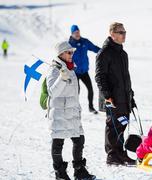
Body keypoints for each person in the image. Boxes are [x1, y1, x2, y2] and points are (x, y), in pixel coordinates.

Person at [46, 41, 95, 180]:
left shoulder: (71, 67)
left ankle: (79, 171)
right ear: (60, 54)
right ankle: (60, 174)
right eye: (68, 52)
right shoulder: (54, 69)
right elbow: (52, 92)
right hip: (59, 113)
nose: (71, 54)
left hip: (72, 111)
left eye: (72, 52)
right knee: (58, 142)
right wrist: (61, 78)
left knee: (79, 140)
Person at [95, 22, 136, 165]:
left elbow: (125, 77)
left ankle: (120, 152)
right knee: (113, 125)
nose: (124, 35)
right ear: (112, 34)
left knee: (122, 124)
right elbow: (100, 77)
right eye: (121, 32)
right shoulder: (104, 53)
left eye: (125, 32)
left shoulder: (123, 54)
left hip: (123, 96)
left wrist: (130, 95)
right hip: (112, 98)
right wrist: (107, 96)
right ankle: (112, 155)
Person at [69, 25, 100, 114]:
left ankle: (91, 107)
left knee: (90, 89)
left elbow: (95, 48)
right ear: (72, 34)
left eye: (78, 32)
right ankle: (74, 109)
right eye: (75, 33)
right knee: (76, 92)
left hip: (84, 71)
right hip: (74, 73)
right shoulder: (69, 44)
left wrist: (104, 50)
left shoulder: (84, 42)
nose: (77, 34)